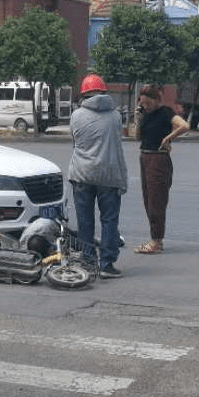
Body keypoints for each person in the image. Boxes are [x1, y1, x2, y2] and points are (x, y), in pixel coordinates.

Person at [67, 74, 128, 278]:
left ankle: (88, 261)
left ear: (84, 94)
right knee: (109, 220)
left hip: (82, 173)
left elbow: (75, 143)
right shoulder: (116, 116)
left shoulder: (76, 115)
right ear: (103, 91)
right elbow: (117, 144)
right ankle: (107, 264)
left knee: (85, 220)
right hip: (109, 175)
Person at [133, 83, 189, 254]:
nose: (145, 106)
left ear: (157, 100)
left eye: (148, 103)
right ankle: (155, 238)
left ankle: (156, 241)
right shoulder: (145, 115)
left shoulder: (166, 112)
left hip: (158, 159)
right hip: (144, 157)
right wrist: (138, 119)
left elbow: (184, 126)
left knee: (156, 201)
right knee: (148, 200)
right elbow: (137, 137)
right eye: (142, 103)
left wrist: (167, 138)